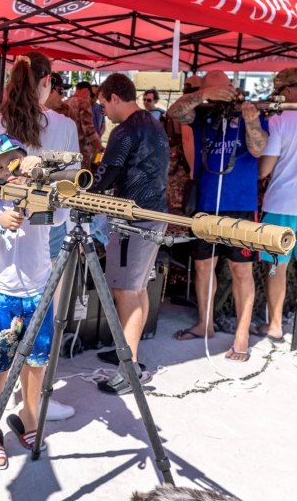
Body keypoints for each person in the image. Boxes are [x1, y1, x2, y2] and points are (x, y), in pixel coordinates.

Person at [0, 51, 79, 421]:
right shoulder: (64, 124)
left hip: (8, 225)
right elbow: (71, 186)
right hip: (31, 227)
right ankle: (26, 405)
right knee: (37, 326)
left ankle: (29, 406)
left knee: (33, 329)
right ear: (47, 81)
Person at [0, 134, 68, 469]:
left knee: (36, 362)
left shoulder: (38, 193)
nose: (4, 170)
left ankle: (29, 415)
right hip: (0, 294)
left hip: (38, 291)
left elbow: (60, 215)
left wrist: (44, 175)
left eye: (12, 162)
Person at [168, 70, 268, 361]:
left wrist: (249, 119)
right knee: (202, 267)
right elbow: (174, 111)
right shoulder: (201, 114)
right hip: (207, 202)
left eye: (223, 90)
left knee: (241, 269)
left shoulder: (248, 112)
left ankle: (241, 334)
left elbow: (258, 148)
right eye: (213, 91)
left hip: (240, 203)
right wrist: (203, 97)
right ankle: (205, 324)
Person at [90, 73, 169, 394]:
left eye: (103, 104)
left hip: (132, 218)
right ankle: (128, 351)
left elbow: (108, 172)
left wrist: (84, 192)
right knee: (136, 288)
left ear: (114, 98)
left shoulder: (125, 130)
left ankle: (129, 367)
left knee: (125, 290)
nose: (103, 112)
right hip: (154, 213)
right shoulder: (153, 123)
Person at [255, 68, 297, 343]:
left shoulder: (280, 120)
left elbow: (264, 169)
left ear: (286, 90)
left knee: (276, 267)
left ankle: (275, 325)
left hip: (283, 202)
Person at [65, 81, 104, 169]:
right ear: (86, 91)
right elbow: (88, 130)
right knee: (83, 178)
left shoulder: (66, 102)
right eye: (90, 95)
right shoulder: (83, 102)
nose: (89, 98)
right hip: (80, 149)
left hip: (66, 150)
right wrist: (101, 148)